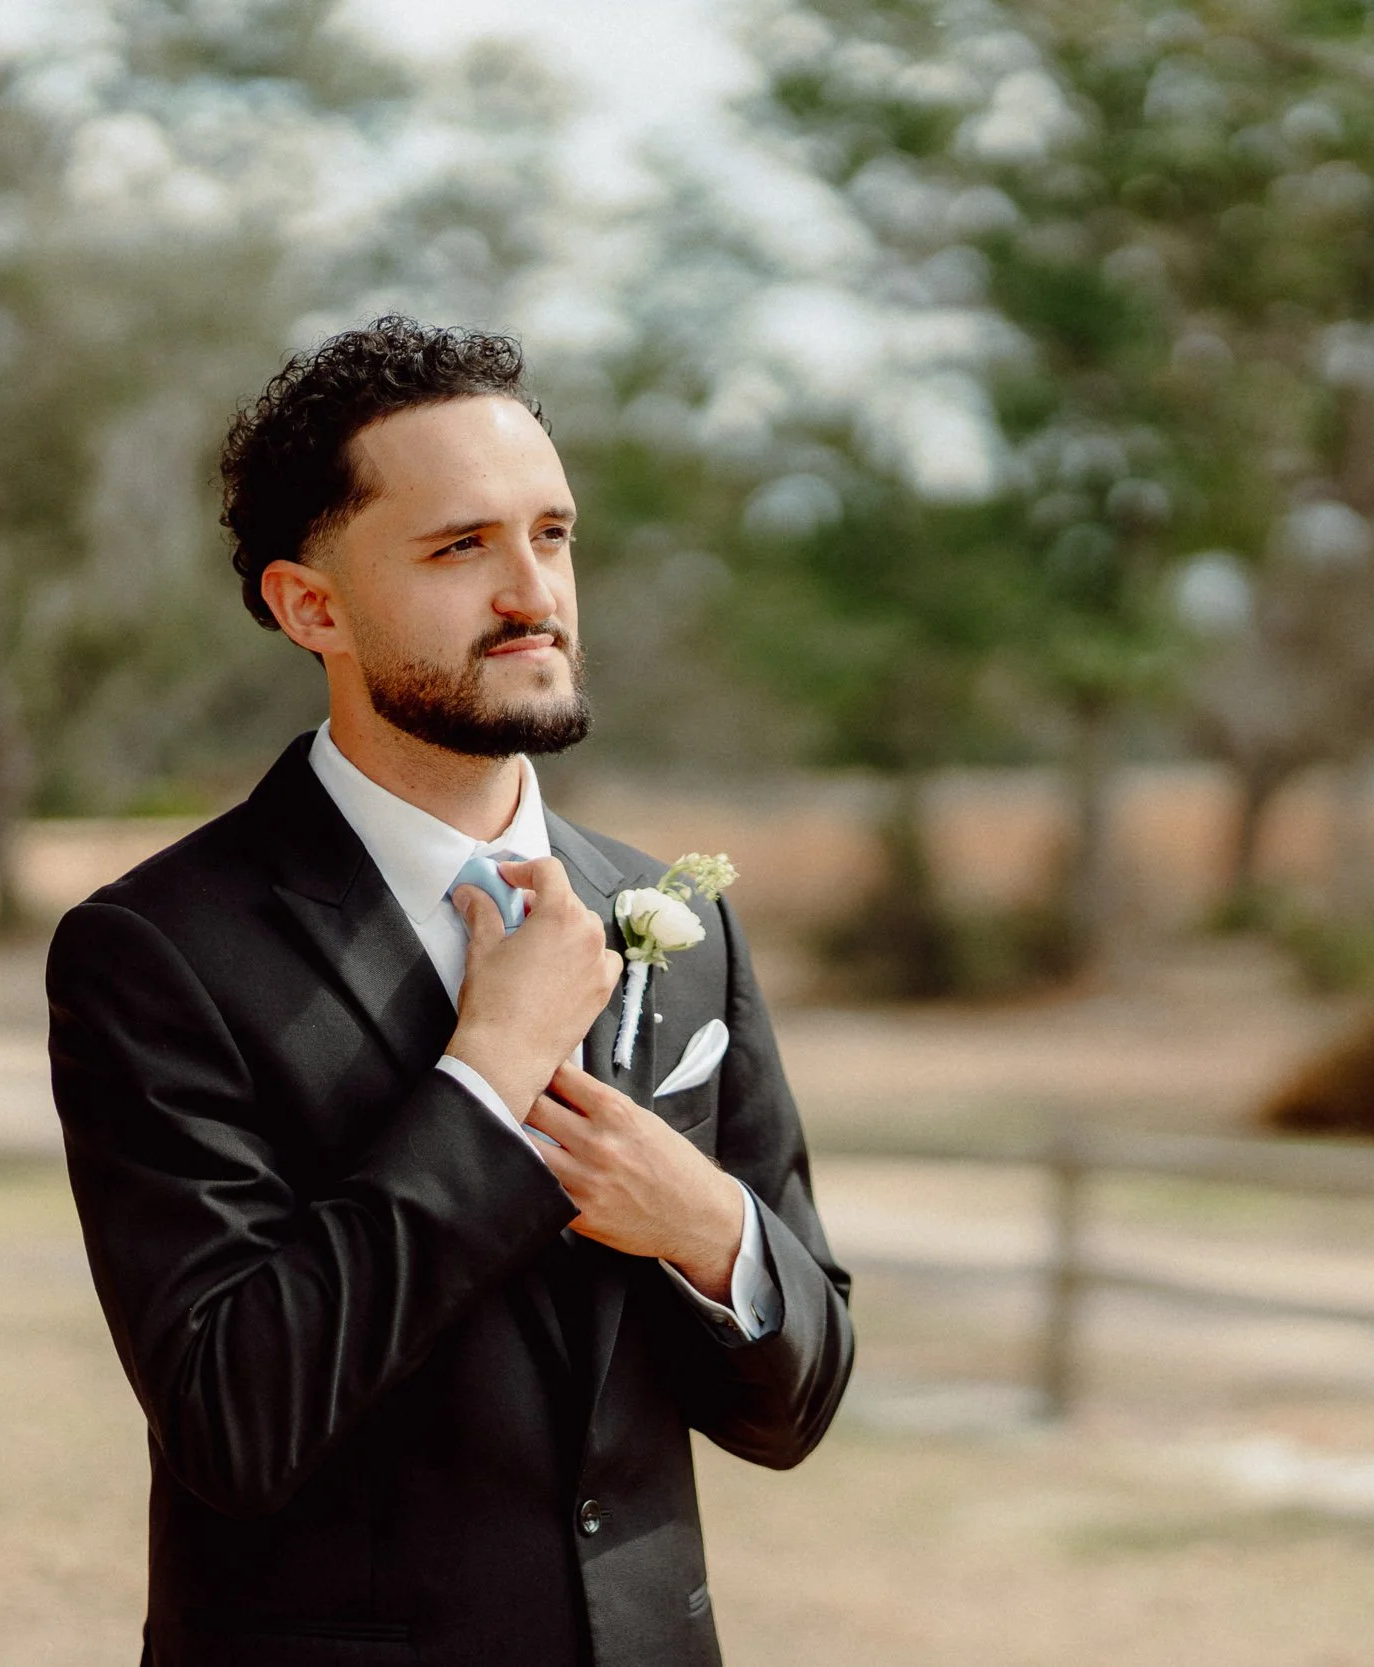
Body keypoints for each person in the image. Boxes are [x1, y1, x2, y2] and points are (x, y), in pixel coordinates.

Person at [46, 315, 855, 1667]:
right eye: (459, 546)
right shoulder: (155, 951)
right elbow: (235, 1419)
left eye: (553, 533)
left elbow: (796, 1403)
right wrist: (487, 1080)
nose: (531, 590)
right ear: (312, 606)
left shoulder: (678, 918)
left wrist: (709, 1227)